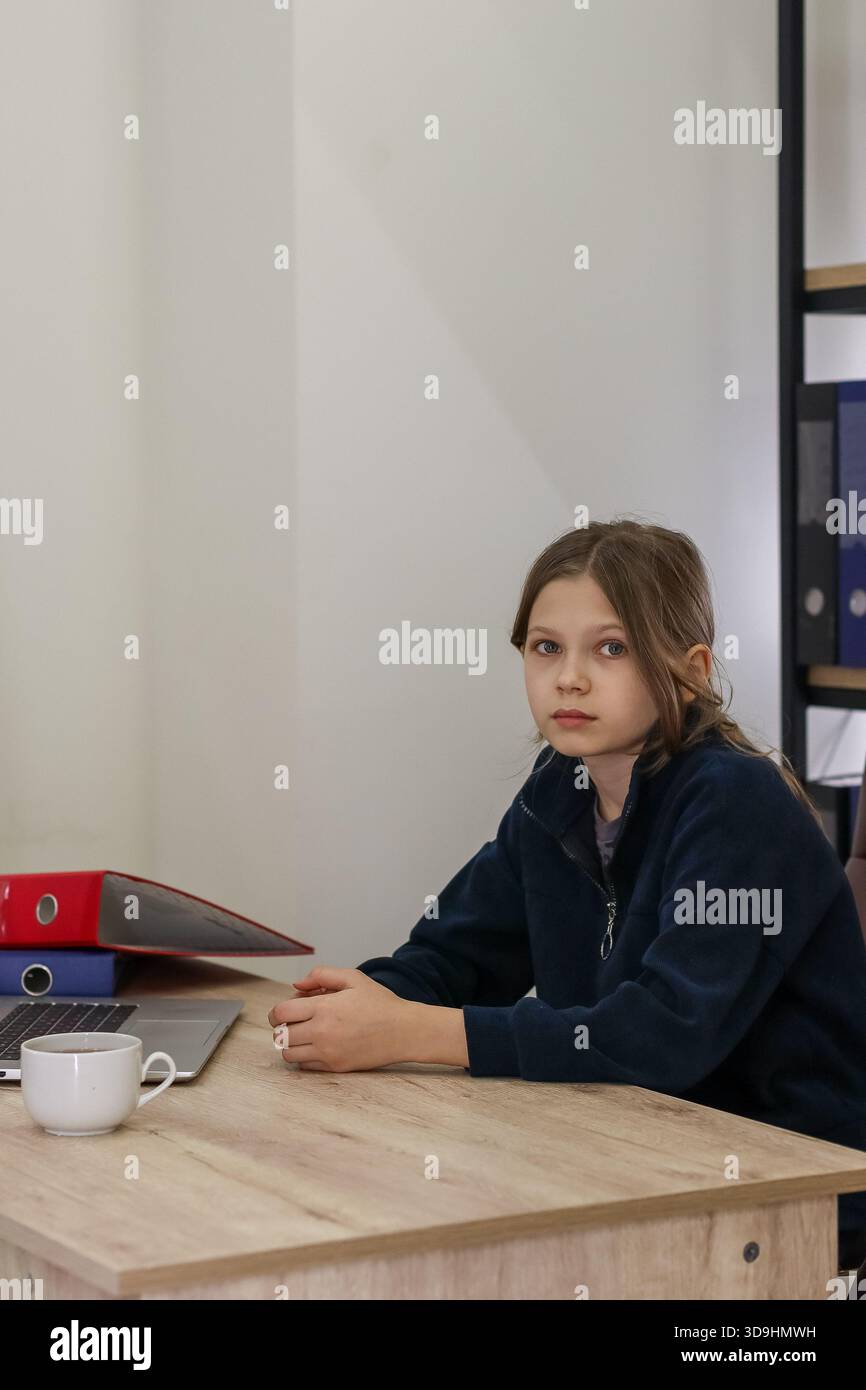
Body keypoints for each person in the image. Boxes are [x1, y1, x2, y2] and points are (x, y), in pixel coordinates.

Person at [268, 518, 866, 1275]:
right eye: (546, 648)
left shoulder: (737, 803)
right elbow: (453, 955)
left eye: (610, 648)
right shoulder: (560, 792)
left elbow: (663, 1034)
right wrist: (352, 1007)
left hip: (790, 1197)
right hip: (623, 1156)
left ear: (691, 671)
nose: (569, 677)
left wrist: (408, 1033)